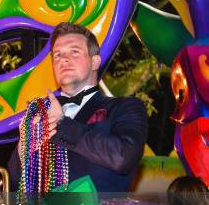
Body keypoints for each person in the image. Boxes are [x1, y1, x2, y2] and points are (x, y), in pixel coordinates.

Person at [8, 22, 148, 192]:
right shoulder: (39, 115)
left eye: (74, 51)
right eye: (58, 55)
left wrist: (62, 123)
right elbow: (12, 188)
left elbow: (123, 157)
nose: (64, 59)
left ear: (95, 62)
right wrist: (24, 148)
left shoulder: (125, 107)